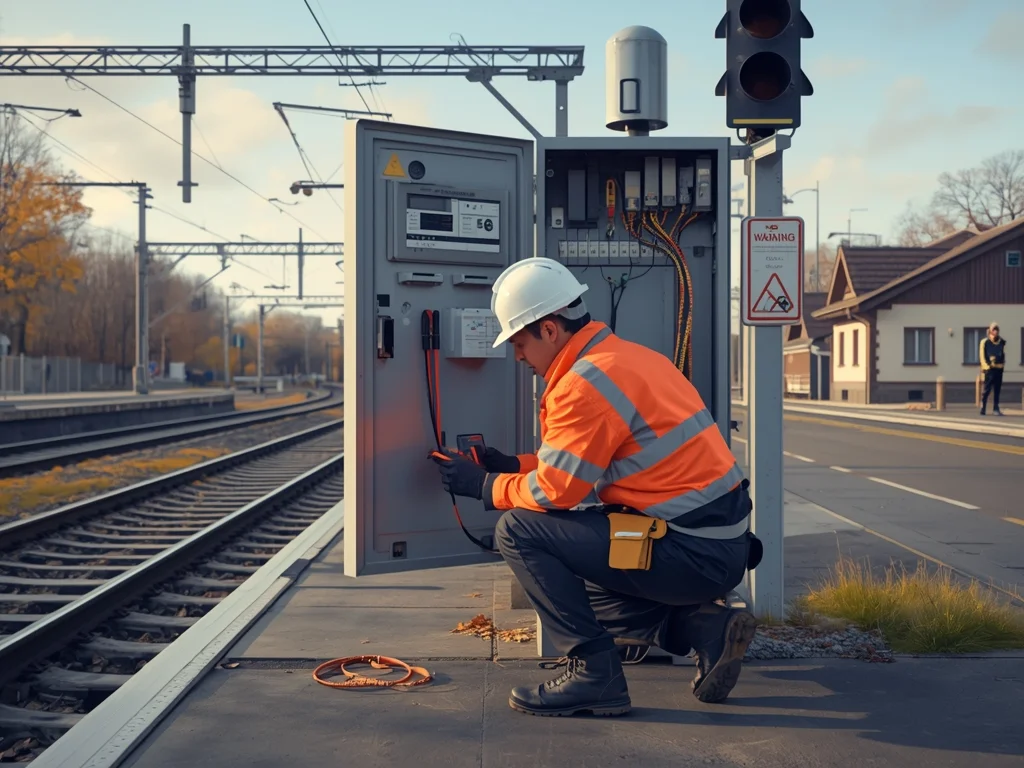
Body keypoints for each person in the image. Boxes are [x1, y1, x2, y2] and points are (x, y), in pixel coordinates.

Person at [429, 257, 761, 718]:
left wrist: (486, 486)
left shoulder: (585, 383)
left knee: (519, 533)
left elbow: (556, 493)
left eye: (520, 342)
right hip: (721, 547)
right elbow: (582, 466)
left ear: (549, 329)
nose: (518, 355)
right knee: (573, 576)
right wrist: (512, 465)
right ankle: (703, 627)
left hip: (688, 551)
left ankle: (594, 673)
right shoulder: (632, 358)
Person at [979, 322, 1006, 416]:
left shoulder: (1001, 342)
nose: (995, 331)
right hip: (989, 370)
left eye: (997, 329)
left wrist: (1002, 365)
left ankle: (996, 408)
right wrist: (987, 366)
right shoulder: (985, 342)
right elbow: (982, 356)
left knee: (997, 390)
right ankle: (983, 407)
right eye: (994, 329)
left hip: (998, 369)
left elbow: (1003, 354)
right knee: (987, 389)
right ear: (990, 331)